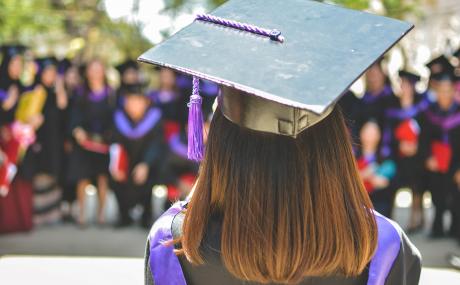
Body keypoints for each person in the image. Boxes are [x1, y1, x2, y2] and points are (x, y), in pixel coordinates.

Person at [140, 0, 420, 284]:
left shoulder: (175, 243)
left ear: (221, 144)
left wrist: (200, 195)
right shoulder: (379, 245)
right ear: (334, 143)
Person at [110, 83, 165, 228]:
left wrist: (145, 164)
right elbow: (114, 143)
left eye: (138, 101)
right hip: (126, 162)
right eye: (130, 101)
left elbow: (156, 144)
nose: (134, 104)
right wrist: (117, 165)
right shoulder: (119, 118)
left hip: (147, 164)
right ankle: (124, 215)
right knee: (114, 177)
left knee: (152, 174)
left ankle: (146, 215)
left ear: (146, 102)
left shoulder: (155, 118)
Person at [68, 59, 115, 227]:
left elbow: (115, 118)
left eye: (99, 69)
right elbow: (73, 115)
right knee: (82, 177)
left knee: (102, 178)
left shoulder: (111, 94)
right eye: (92, 69)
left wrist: (110, 136)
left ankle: (101, 215)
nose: (95, 72)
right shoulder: (80, 93)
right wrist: (76, 129)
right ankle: (82, 215)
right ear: (87, 72)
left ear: (103, 72)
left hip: (103, 142)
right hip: (84, 142)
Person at [381, 70, 429, 231]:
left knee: (417, 184)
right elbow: (388, 133)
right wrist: (399, 144)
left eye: (407, 84)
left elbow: (428, 132)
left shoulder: (421, 106)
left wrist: (417, 146)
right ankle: (391, 220)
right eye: (402, 84)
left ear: (413, 87)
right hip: (398, 155)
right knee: (395, 183)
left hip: (417, 154)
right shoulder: (391, 106)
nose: (404, 87)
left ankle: (416, 218)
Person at [24, 57, 68, 225]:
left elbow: (63, 108)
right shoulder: (35, 92)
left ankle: (52, 214)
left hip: (54, 140)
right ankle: (40, 215)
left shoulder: (55, 92)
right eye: (47, 72)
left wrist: (60, 87)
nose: (50, 75)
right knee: (41, 174)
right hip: (39, 140)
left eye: (53, 73)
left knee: (53, 173)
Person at [419, 67, 460, 238]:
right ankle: (437, 228)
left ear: (453, 91)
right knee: (437, 194)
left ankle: (455, 230)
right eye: (441, 90)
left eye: (448, 90)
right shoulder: (429, 112)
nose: (444, 94)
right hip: (436, 161)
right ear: (436, 91)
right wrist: (428, 158)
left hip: (456, 161)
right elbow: (423, 139)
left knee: (455, 196)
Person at [356, 120, 397, 218]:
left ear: (379, 136)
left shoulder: (385, 156)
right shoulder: (352, 156)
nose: (370, 135)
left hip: (379, 201)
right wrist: (364, 175)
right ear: (361, 134)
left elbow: (388, 181)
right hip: (357, 200)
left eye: (373, 132)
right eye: (367, 132)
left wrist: (381, 181)